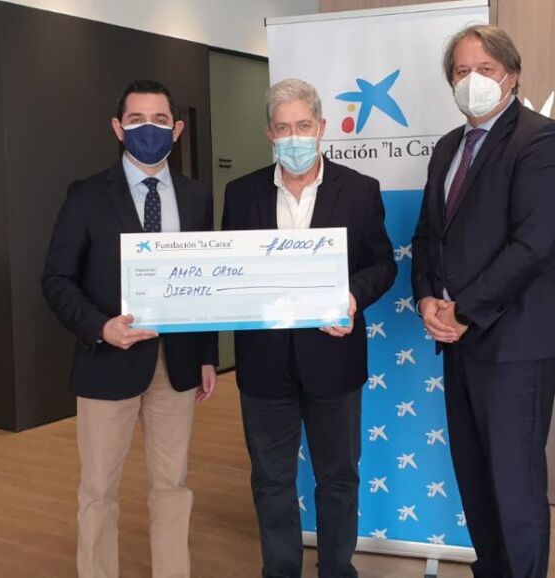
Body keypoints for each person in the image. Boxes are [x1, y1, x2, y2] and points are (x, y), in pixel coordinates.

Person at [410, 25, 555, 578]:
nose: (472, 80)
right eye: (461, 71)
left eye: (485, 69)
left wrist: (463, 310)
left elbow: (531, 246)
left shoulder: (542, 139)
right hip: (457, 341)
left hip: (516, 343)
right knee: (476, 479)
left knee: (515, 484)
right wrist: (427, 298)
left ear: (512, 75)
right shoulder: (447, 148)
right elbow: (428, 235)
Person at [42, 79, 218, 578]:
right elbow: (56, 280)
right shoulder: (85, 196)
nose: (149, 129)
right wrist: (101, 327)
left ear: (176, 130)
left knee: (173, 486)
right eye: (137, 119)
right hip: (107, 361)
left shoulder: (197, 197)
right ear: (118, 128)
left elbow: (204, 282)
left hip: (177, 364)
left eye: (160, 120)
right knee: (99, 491)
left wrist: (207, 354)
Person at [221, 78, 396, 578]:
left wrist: (351, 296)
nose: (293, 136)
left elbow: (382, 264)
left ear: (321, 127)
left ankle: (337, 569)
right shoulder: (241, 193)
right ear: (269, 134)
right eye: (283, 128)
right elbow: (229, 271)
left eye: (302, 125)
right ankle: (280, 570)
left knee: (337, 478)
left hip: (334, 360)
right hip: (263, 363)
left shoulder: (360, 190)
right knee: (271, 480)